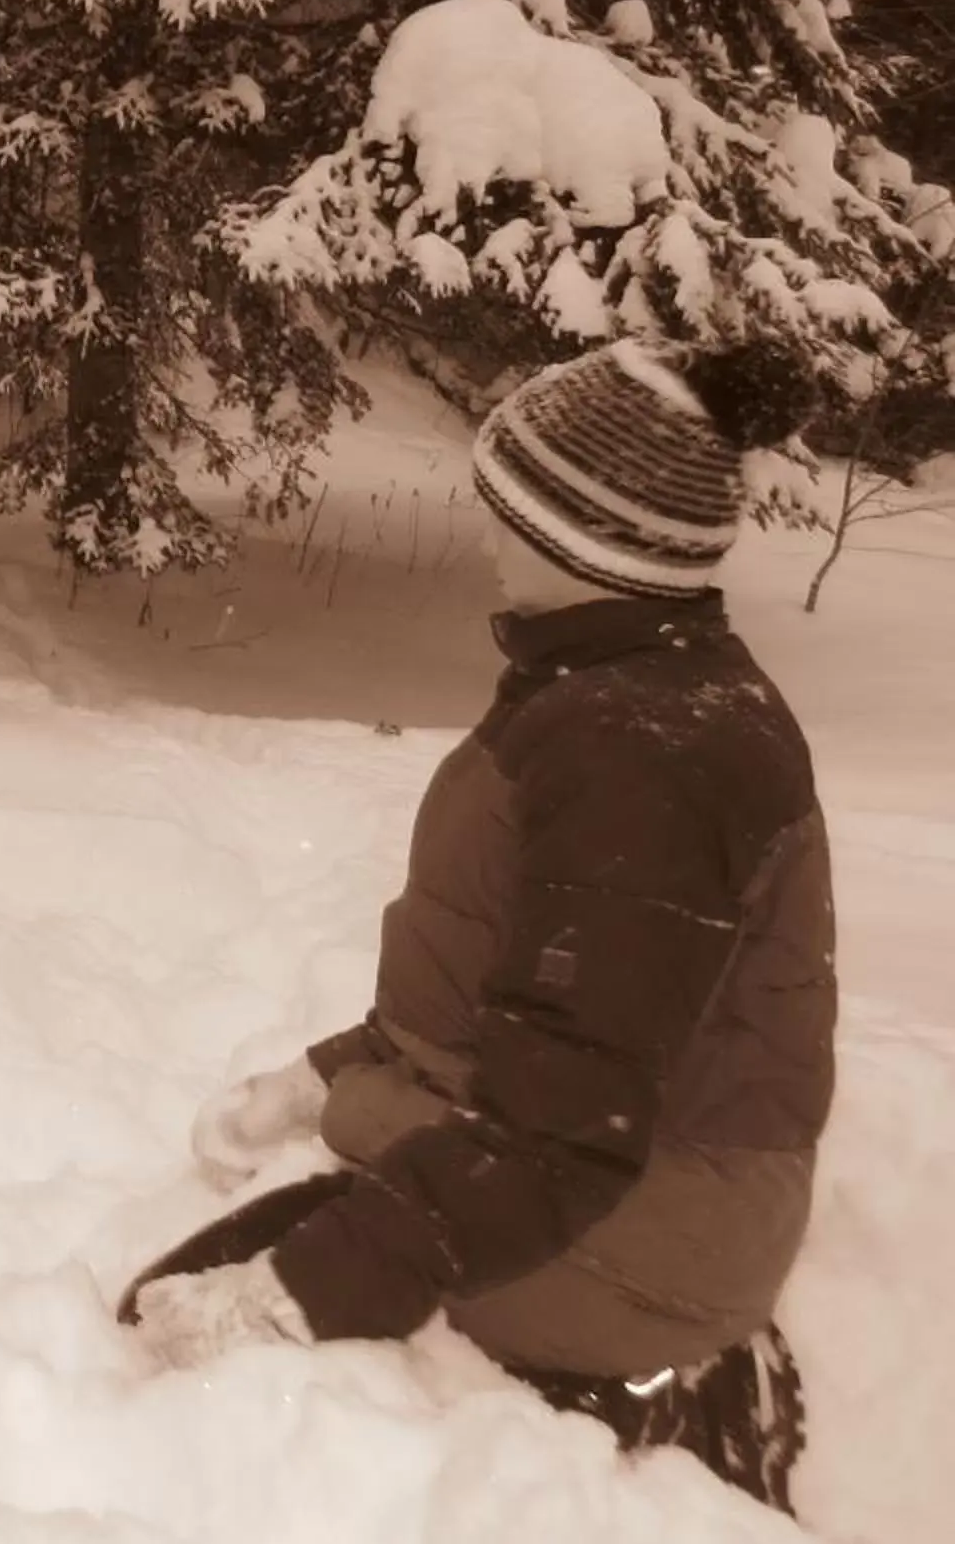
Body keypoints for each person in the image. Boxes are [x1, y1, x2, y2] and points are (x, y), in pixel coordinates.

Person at [131, 339, 833, 1512]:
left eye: (508, 511)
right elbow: (512, 996)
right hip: (616, 1170)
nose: (483, 536)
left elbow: (563, 1130)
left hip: (655, 1225)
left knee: (166, 1342)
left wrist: (294, 1296)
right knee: (201, 1271)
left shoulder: (644, 756)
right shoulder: (622, 695)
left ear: (586, 539)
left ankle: (626, 1405)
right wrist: (324, 1084)